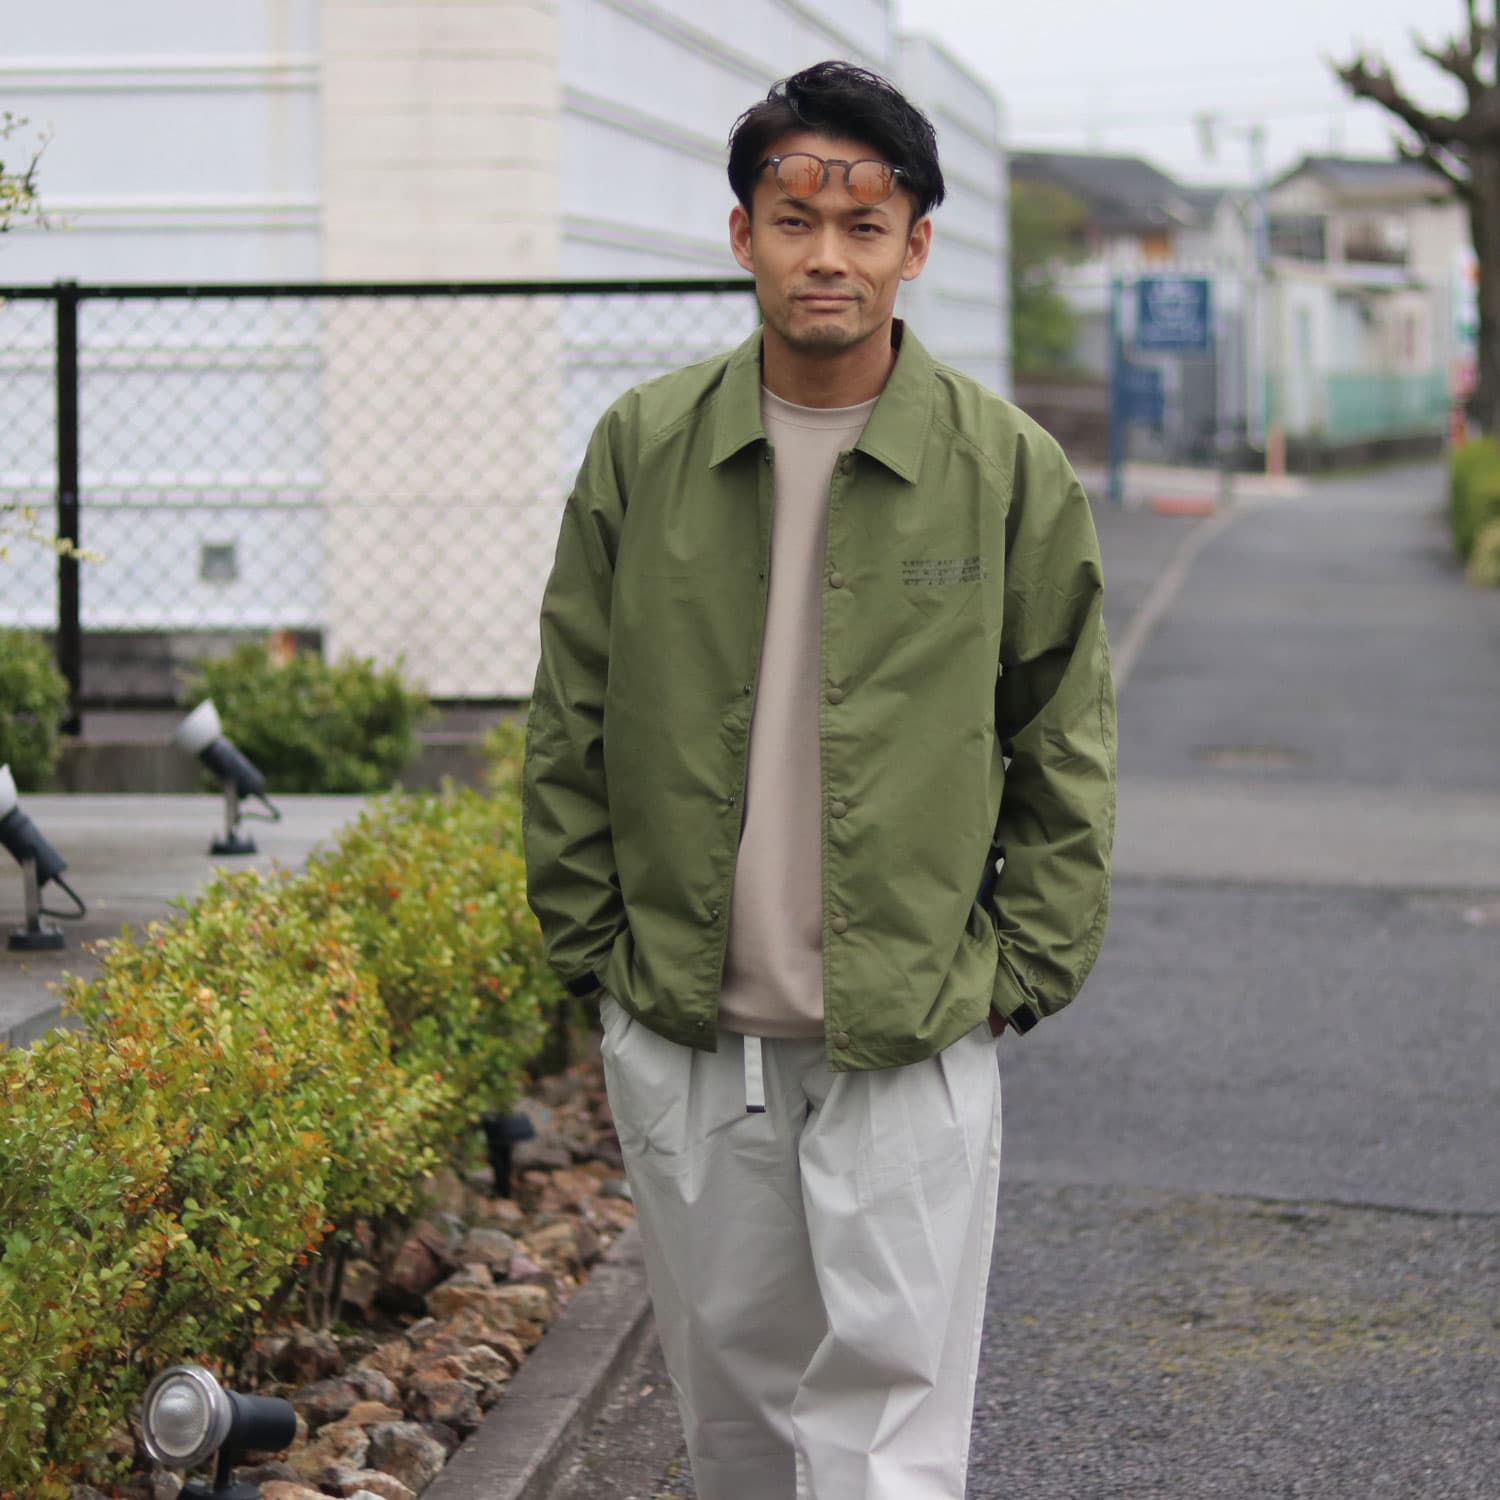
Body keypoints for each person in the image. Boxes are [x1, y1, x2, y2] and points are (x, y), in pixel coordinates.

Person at [522, 59, 1116, 1500]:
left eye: (864, 225)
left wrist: (1013, 974)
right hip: (687, 1030)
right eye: (795, 220)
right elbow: (569, 719)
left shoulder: (1005, 469)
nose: (827, 256)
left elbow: (1065, 743)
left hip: (914, 1029)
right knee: (731, 1417)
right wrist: (603, 959)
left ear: (917, 244)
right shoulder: (645, 448)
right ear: (744, 235)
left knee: (892, 1426)